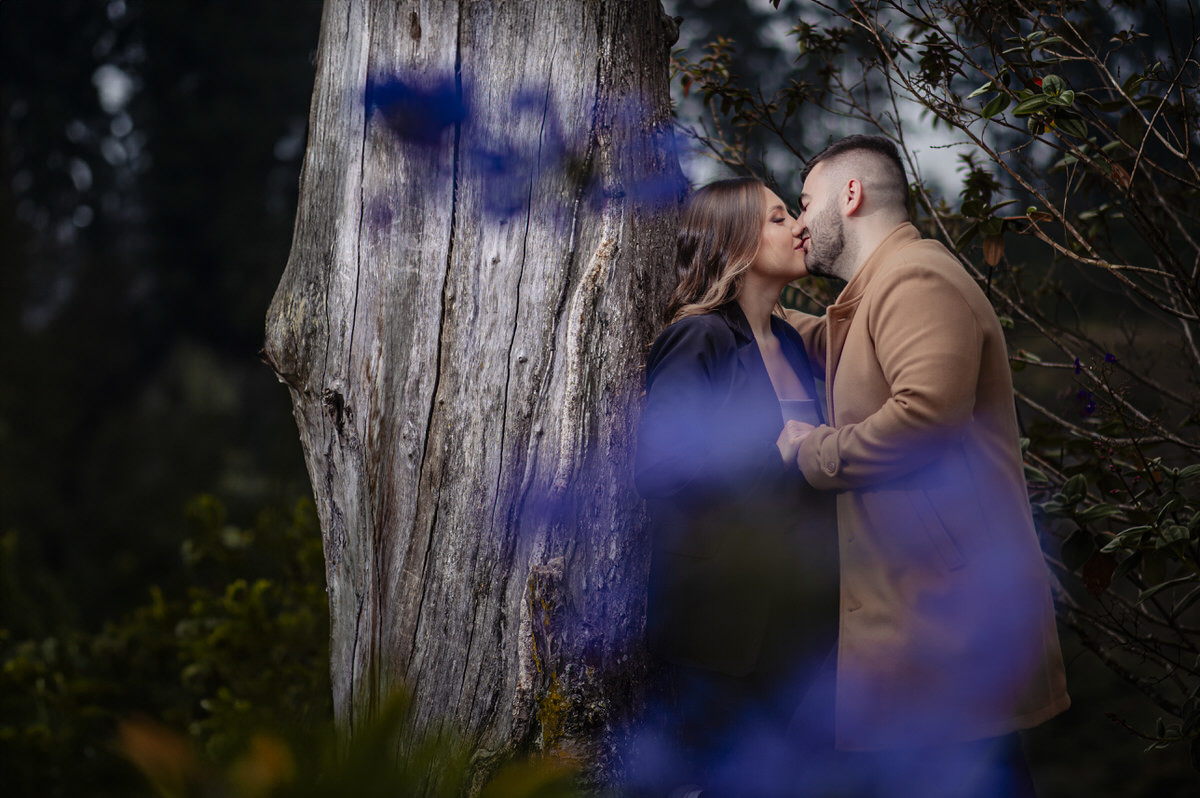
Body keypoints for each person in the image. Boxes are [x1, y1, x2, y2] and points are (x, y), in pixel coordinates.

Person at [783, 134, 1071, 795]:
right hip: (909, 618)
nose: (800, 224)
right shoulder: (880, 290)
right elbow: (833, 345)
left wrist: (810, 452)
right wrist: (748, 303)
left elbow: (925, 417)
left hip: (947, 622)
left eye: (804, 203)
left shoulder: (915, 279)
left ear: (849, 196)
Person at [631, 177, 838, 797]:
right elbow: (658, 468)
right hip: (718, 632)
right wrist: (765, 454)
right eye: (780, 218)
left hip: (795, 622)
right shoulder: (700, 335)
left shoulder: (794, 346)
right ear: (738, 244)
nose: (800, 227)